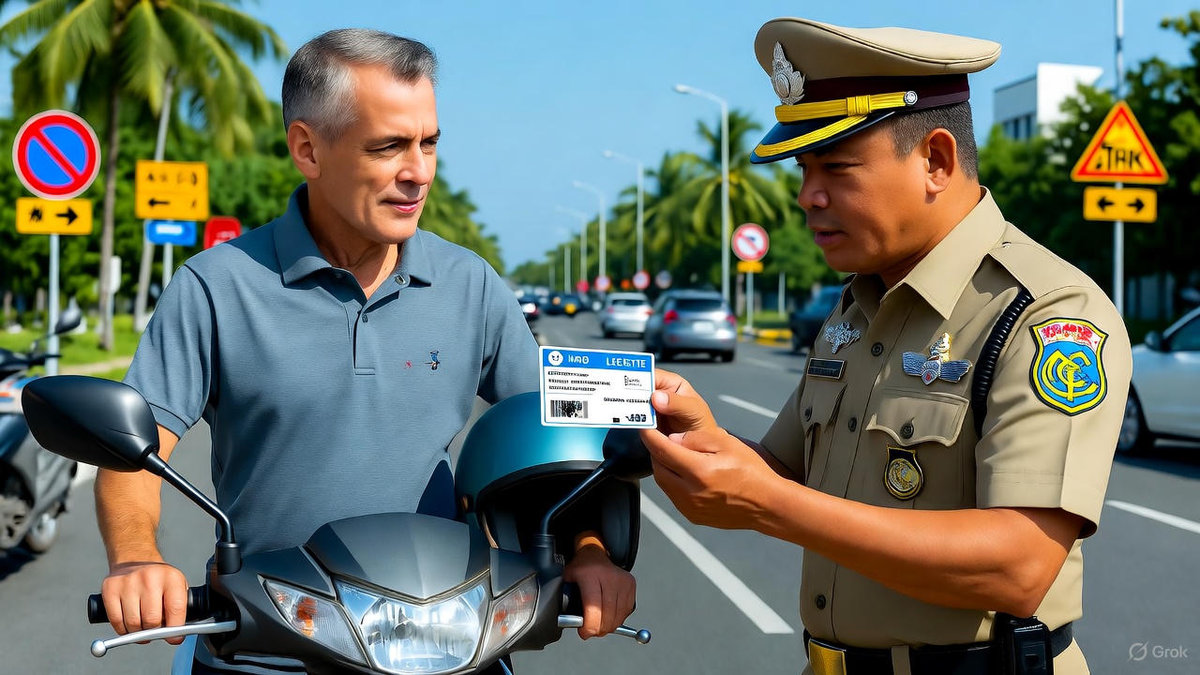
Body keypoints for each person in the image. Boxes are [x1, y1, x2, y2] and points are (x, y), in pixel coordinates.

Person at [97, 29, 635, 673]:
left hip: (449, 645)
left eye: (429, 143)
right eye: (388, 147)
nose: (419, 172)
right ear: (307, 149)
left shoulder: (472, 284)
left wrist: (591, 550)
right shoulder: (214, 286)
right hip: (268, 646)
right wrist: (136, 559)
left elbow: (564, 443)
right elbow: (132, 451)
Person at [640, 16, 1131, 675]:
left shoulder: (1046, 313)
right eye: (804, 167)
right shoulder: (856, 303)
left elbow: (1019, 564)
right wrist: (702, 439)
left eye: (836, 167)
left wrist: (765, 500)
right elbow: (786, 475)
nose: (806, 196)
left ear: (935, 160)